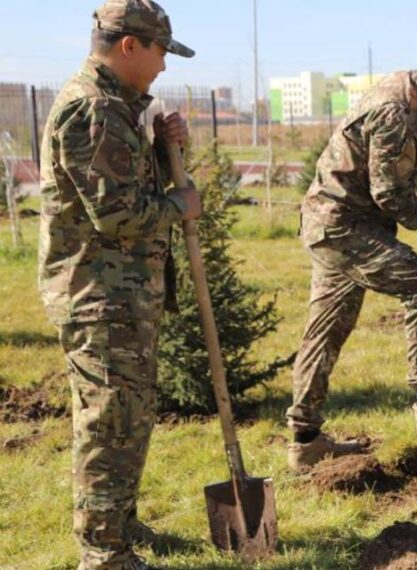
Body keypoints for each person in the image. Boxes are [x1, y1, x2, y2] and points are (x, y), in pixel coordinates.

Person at [38, 1, 200, 567]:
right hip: (98, 296)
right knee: (109, 421)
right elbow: (116, 213)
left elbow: (121, 183)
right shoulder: (92, 109)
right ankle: (103, 552)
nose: (163, 66)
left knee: (128, 414)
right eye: (159, 52)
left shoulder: (117, 107)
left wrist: (161, 147)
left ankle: (120, 521)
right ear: (130, 46)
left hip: (123, 294)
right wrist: (180, 203)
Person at [287, 42, 417, 472]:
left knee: (326, 330)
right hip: (341, 222)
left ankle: (305, 441)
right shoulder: (394, 110)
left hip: (347, 221)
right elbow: (389, 193)